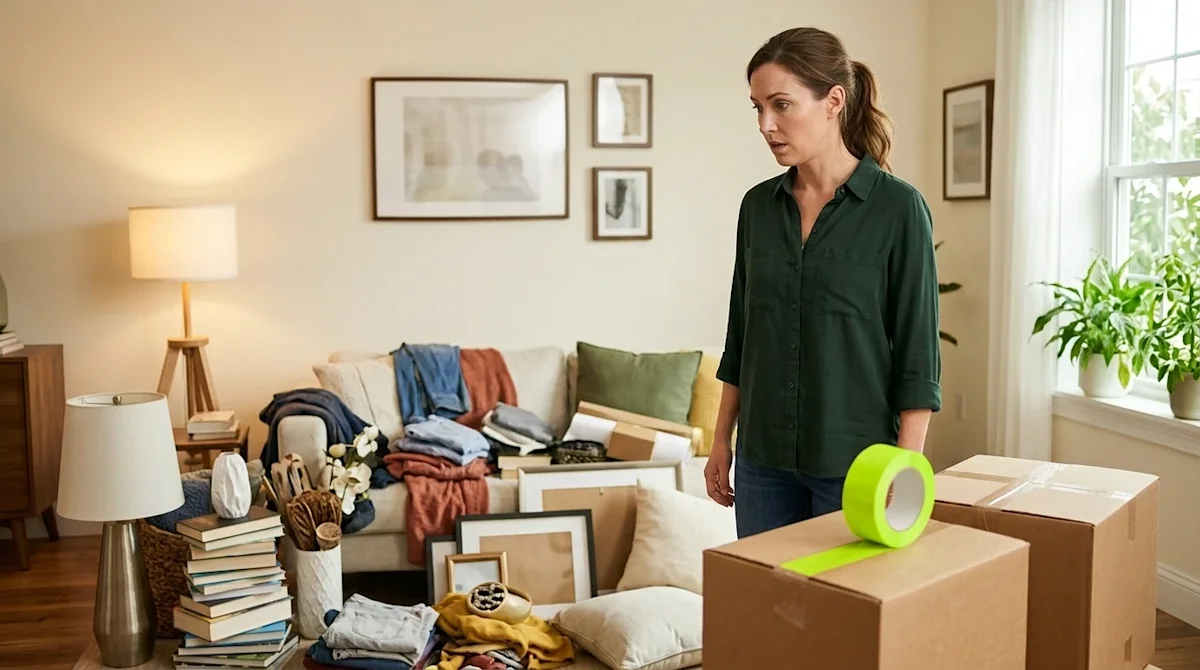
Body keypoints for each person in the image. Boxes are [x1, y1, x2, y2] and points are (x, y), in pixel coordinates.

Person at [704, 27, 942, 539]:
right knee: (769, 612)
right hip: (762, 461)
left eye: (782, 105)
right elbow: (741, 336)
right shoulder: (757, 209)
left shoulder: (898, 210)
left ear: (833, 100)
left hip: (856, 465)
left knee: (842, 616)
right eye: (758, 108)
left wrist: (907, 465)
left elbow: (918, 355)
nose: (767, 125)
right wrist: (721, 440)